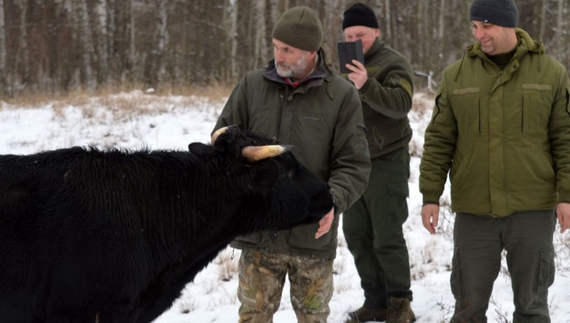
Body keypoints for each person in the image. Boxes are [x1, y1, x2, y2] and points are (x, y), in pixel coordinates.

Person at [213, 6, 371, 323]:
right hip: (260, 233)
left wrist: (332, 202)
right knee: (253, 317)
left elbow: (353, 164)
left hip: (311, 235)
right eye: (276, 47)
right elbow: (222, 142)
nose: (279, 56)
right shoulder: (251, 86)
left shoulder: (340, 95)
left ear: (312, 51)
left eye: (288, 49)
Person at [420, 0, 570, 321]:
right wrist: (430, 196)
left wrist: (566, 196)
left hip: (532, 209)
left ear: (508, 25)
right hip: (475, 212)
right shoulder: (456, 76)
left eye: (486, 26)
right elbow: (438, 142)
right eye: (475, 27)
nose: (479, 35)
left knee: (532, 308)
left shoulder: (551, 74)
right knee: (468, 310)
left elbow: (565, 140)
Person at [339, 3, 416, 323]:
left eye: (361, 34)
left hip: (386, 160)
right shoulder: (342, 65)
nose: (357, 39)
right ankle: (375, 301)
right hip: (352, 164)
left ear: (376, 32)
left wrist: (366, 84)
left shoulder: (393, 63)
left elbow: (402, 104)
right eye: (349, 35)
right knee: (357, 235)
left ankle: (400, 304)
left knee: (386, 236)